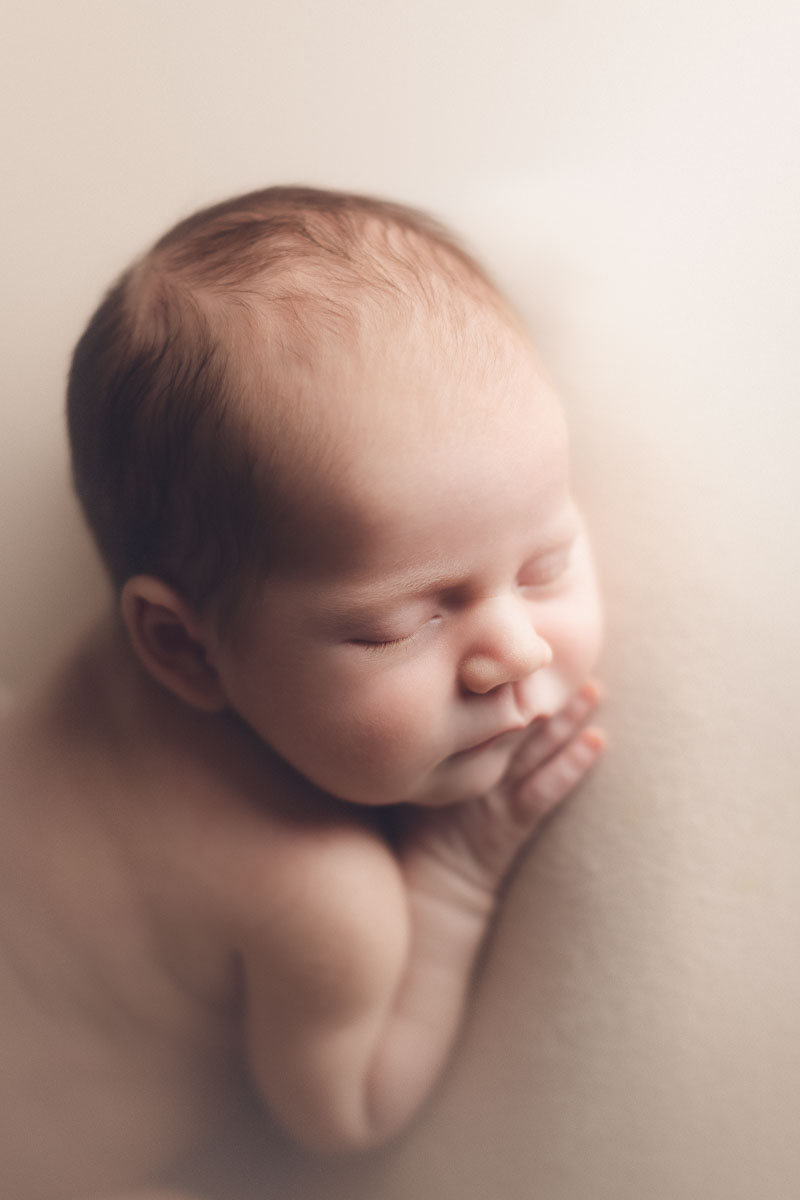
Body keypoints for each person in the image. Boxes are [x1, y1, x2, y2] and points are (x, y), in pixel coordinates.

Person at [0, 186, 605, 1199]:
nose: (510, 647)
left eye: (543, 563)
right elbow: (345, 1113)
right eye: (399, 623)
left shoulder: (101, 665)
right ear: (182, 649)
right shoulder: (319, 896)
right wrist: (452, 878)